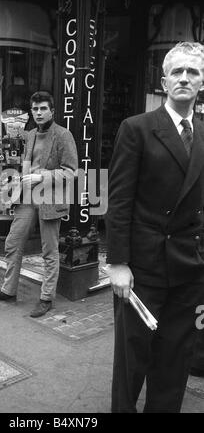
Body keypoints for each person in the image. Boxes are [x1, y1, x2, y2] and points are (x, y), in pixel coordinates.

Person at [105, 42, 204, 413]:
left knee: (175, 359)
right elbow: (120, 201)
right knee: (133, 359)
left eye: (192, 72)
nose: (184, 78)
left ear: (202, 81)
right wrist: (117, 263)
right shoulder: (138, 129)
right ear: (163, 82)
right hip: (143, 269)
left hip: (189, 269)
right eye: (176, 72)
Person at [0, 91, 78, 318]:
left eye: (43, 108)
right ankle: (9, 290)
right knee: (13, 242)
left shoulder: (63, 135)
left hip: (49, 199)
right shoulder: (31, 135)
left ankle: (46, 298)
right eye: (35, 109)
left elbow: (71, 172)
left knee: (49, 251)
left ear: (52, 111)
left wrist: (40, 177)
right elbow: (27, 164)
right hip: (27, 197)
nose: (38, 113)